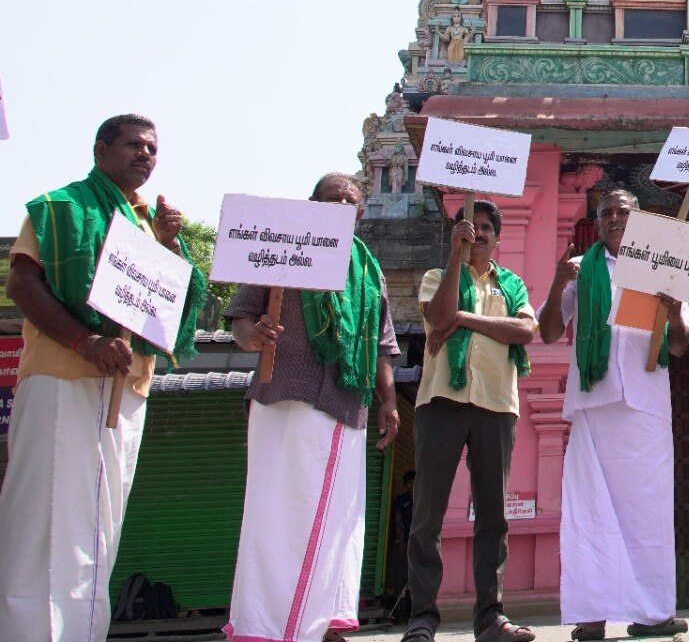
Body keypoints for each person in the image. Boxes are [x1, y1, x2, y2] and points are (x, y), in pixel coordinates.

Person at [0, 114, 206, 641]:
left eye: (153, 148)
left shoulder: (144, 223)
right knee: (48, 522)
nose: (145, 154)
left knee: (98, 527)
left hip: (127, 390)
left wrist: (164, 244)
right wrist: (84, 341)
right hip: (64, 380)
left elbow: (160, 303)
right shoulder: (61, 208)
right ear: (100, 152)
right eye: (133, 144)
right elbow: (23, 282)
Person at [224, 172, 402, 642]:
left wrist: (389, 401)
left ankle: (323, 622)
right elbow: (240, 317)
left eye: (351, 201)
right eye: (331, 199)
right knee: (276, 510)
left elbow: (384, 347)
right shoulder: (285, 245)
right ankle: (265, 624)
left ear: (362, 213)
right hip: (284, 393)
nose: (342, 205)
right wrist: (253, 336)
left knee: (339, 519)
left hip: (347, 401)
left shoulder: (370, 271)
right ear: (311, 205)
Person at [538, 190, 689, 641]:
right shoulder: (582, 271)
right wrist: (555, 282)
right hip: (594, 403)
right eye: (606, 213)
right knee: (591, 510)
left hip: (646, 404)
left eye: (623, 212)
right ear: (597, 222)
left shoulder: (664, 267)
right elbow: (549, 332)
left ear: (639, 220)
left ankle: (652, 614)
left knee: (648, 512)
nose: (614, 218)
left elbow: (681, 344)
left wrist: (670, 307)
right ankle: (592, 614)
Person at [403, 200, 538, 642]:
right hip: (442, 399)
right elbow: (438, 317)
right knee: (428, 513)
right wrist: (454, 261)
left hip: (496, 404)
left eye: (485, 228)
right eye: (469, 226)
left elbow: (523, 332)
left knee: (493, 514)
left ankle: (490, 616)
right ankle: (423, 617)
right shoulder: (437, 278)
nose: (477, 233)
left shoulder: (512, 285)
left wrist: (463, 318)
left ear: (497, 238)